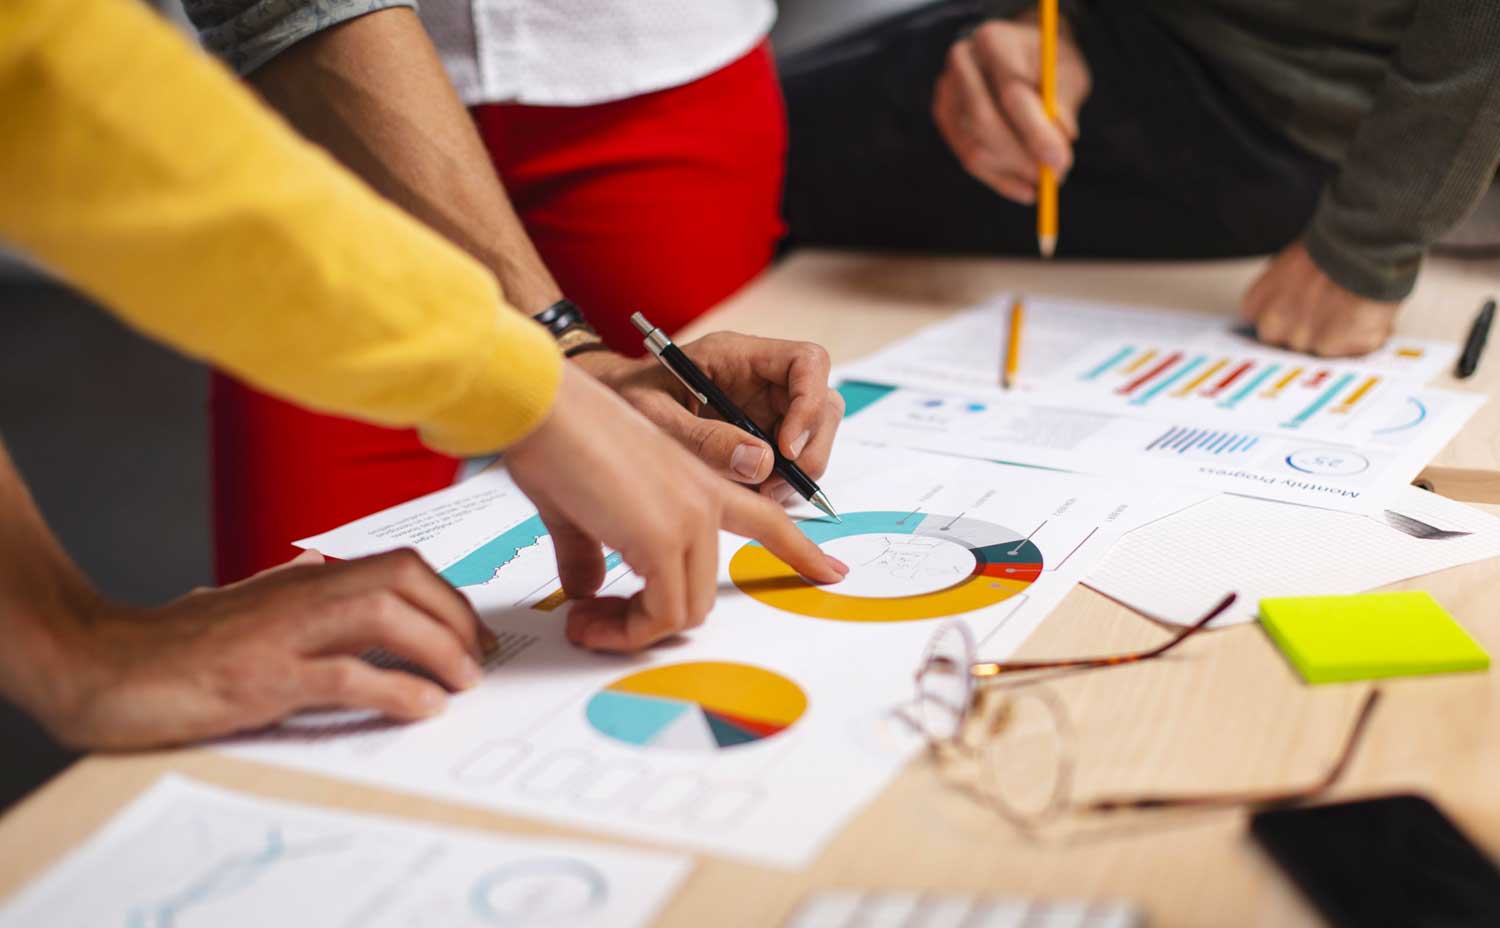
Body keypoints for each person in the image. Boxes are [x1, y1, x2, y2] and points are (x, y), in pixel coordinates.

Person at [0, 0, 846, 751]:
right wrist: (66, 647)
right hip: (310, 127)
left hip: (664, 72)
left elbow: (41, 62)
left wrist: (551, 367)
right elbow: (40, 71)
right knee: (321, 688)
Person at [178, 0, 825, 583]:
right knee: (301, 611)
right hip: (326, 107)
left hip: (664, 81)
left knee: (712, 521)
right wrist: (561, 350)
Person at [780, 0, 1500, 358]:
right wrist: (1045, 20)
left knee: (771, 139)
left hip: (1267, 101)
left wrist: (1369, 239)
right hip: (1185, 61)